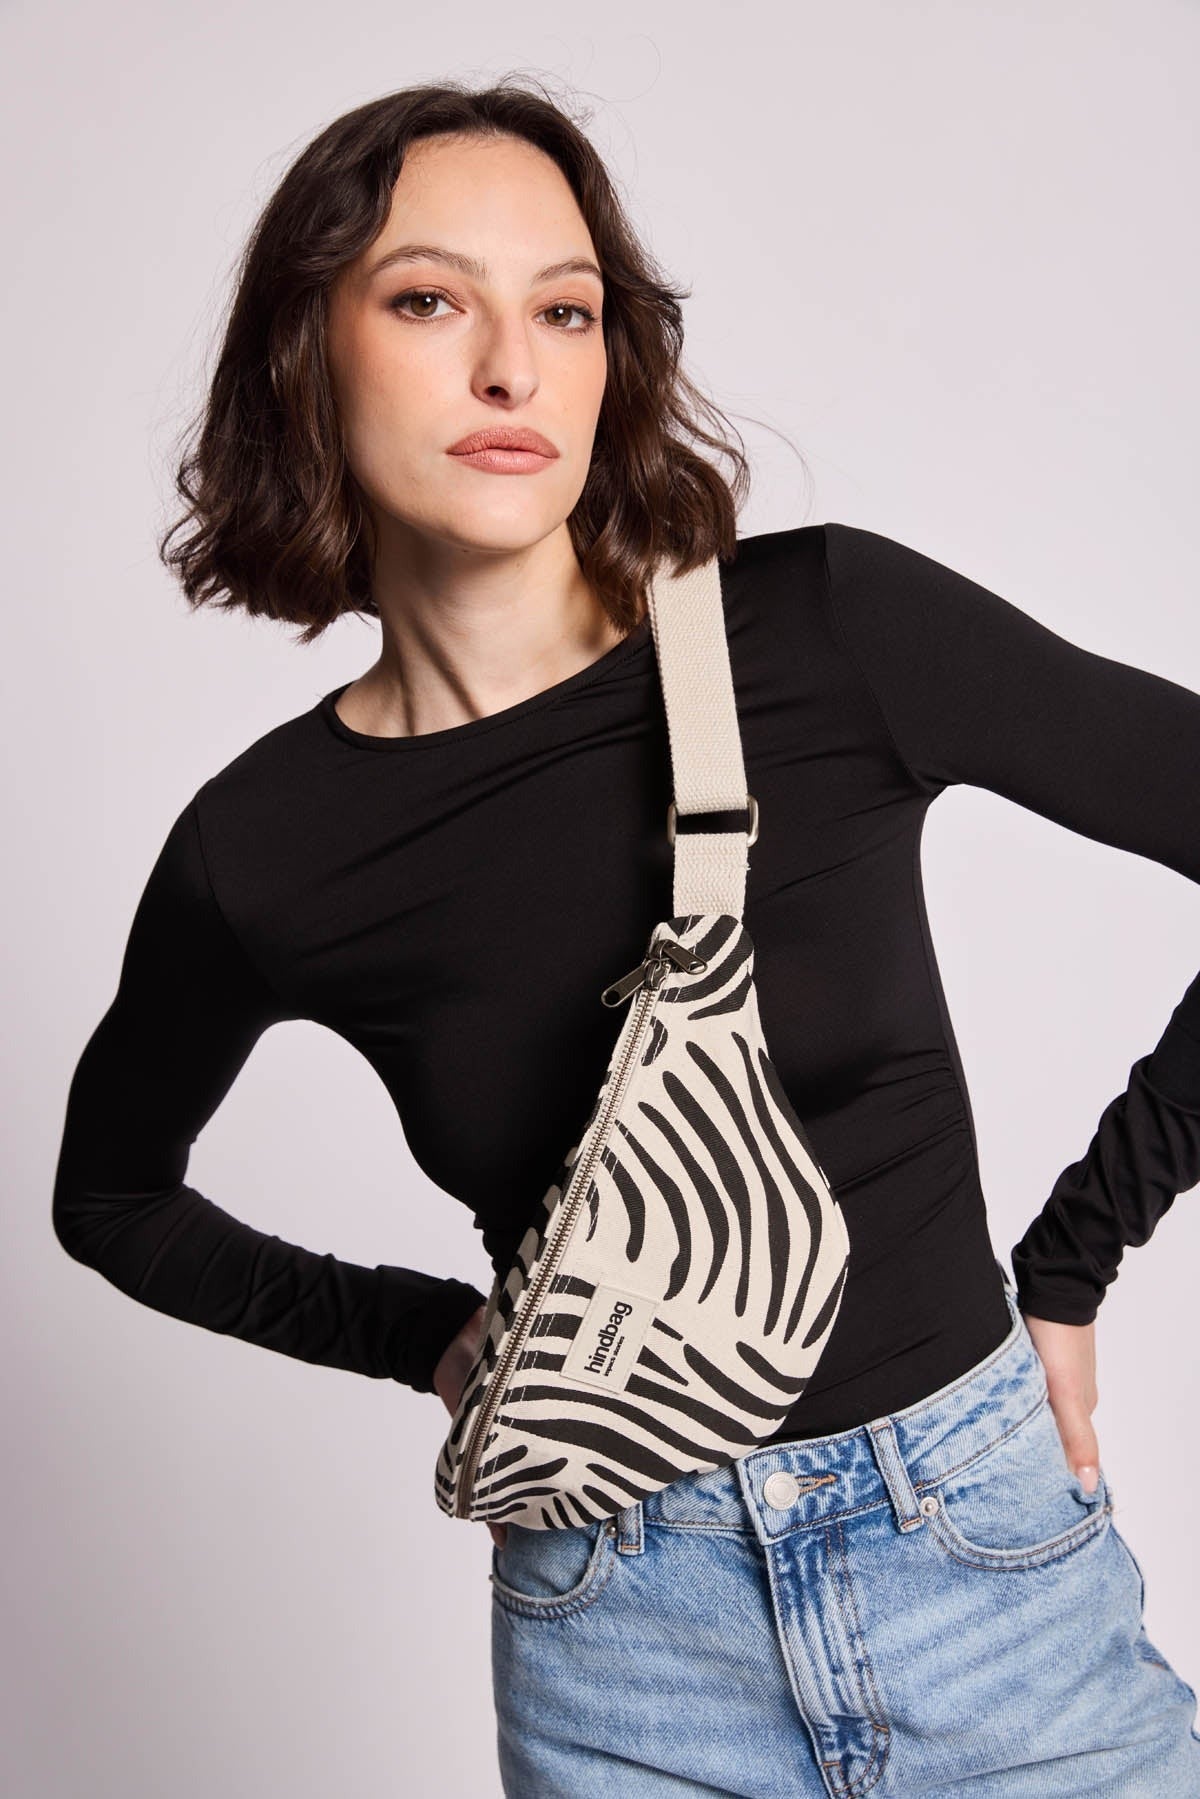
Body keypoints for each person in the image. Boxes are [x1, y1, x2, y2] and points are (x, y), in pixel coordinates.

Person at [51, 77, 1200, 1797]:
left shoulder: (827, 634)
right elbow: (113, 1200)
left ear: (612, 361)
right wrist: (426, 1335)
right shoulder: (263, 849)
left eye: (566, 311)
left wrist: (1076, 1258)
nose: (510, 370)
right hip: (619, 1643)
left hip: (985, 1587)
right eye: (428, 300)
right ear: (306, 354)